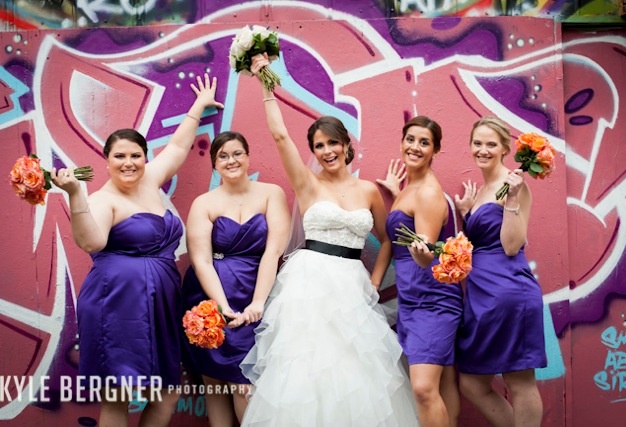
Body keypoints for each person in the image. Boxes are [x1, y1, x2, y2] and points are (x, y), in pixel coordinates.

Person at [239, 53, 418, 426]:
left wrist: (374, 280)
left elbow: (387, 239)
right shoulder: (306, 184)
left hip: (352, 284)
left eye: (333, 143)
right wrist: (265, 84)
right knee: (307, 366)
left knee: (353, 367)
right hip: (309, 283)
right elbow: (280, 136)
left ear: (346, 145)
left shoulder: (368, 191)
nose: (327, 151)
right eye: (319, 146)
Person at [50, 74, 225, 427]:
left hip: (160, 304)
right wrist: (75, 195)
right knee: (119, 396)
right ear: (106, 160)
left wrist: (198, 106)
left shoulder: (149, 180)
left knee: (167, 394)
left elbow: (177, 149)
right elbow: (91, 243)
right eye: (119, 156)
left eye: (135, 155)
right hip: (116, 303)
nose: (128, 162)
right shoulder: (102, 200)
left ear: (145, 158)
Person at [181, 130, 290, 426]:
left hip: (255, 292)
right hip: (210, 296)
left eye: (237, 153)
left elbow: (273, 252)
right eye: (223, 156)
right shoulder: (204, 203)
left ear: (248, 156)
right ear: (215, 164)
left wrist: (258, 302)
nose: (231, 161)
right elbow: (201, 260)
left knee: (245, 384)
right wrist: (222, 307)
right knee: (214, 381)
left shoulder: (271, 194)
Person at [453, 116, 547, 427]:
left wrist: (513, 199)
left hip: (509, 291)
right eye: (477, 143)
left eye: (491, 144)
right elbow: (483, 238)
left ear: (505, 148)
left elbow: (510, 245)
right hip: (482, 296)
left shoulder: (515, 186)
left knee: (519, 381)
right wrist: (467, 214)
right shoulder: (483, 189)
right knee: (471, 383)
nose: (483, 150)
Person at [376, 116, 463, 427]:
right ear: (401, 143)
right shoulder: (409, 188)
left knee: (424, 389)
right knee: (444, 381)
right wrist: (394, 191)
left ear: (435, 151)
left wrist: (423, 252)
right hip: (413, 298)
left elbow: (426, 256)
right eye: (410, 139)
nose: (415, 147)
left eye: (424, 142)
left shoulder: (427, 192)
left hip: (432, 299)